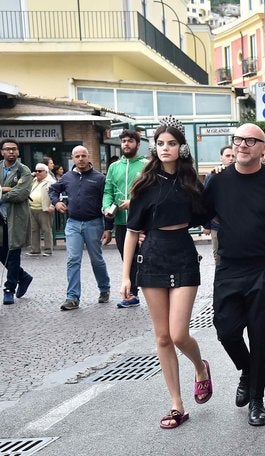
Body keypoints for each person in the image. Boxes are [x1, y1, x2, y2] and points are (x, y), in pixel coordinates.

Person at [203, 123, 265, 427]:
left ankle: (257, 400)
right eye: (238, 140)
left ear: (263, 148)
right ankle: (247, 370)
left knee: (262, 337)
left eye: (250, 140)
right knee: (226, 330)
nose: (242, 145)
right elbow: (198, 214)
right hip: (230, 266)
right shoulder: (218, 182)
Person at [120, 116, 212, 429]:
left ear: (181, 147)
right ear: (154, 147)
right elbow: (132, 232)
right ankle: (176, 404)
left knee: (178, 334)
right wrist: (125, 276)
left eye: (171, 143)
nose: (165, 148)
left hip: (183, 256)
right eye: (160, 143)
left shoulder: (191, 183)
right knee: (162, 337)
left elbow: (211, 217)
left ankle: (200, 367)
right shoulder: (144, 185)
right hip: (152, 259)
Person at [49, 146, 110, 311]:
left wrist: (108, 227)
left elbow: (107, 200)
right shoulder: (67, 177)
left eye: (83, 155)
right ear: (73, 158)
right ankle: (72, 298)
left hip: (94, 223)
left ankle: (104, 288)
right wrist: (56, 202)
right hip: (73, 224)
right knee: (73, 260)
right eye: (77, 156)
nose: (81, 158)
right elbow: (53, 190)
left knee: (96, 259)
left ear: (88, 157)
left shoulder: (99, 178)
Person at [102, 129, 148, 308]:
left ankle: (138, 292)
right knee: (127, 258)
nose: (126, 144)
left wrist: (134, 203)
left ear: (137, 144)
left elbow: (152, 192)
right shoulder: (114, 167)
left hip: (143, 222)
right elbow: (108, 192)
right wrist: (107, 208)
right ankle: (132, 293)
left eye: (130, 141)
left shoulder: (147, 165)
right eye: (123, 141)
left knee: (144, 257)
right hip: (121, 222)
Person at [0, 139, 33, 305]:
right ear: (2, 152)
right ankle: (23, 276)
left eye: (14, 149)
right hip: (1, 218)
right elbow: (15, 191)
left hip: (16, 218)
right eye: (7, 149)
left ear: (18, 151)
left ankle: (9, 289)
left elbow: (21, 193)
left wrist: (1, 193)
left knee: (13, 254)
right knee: (2, 253)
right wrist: (5, 189)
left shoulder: (23, 170)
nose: (11, 152)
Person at [202, 145, 236, 265]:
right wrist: (206, 225)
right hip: (217, 225)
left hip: (236, 225)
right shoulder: (212, 175)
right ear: (221, 157)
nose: (231, 158)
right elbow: (206, 202)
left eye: (233, 156)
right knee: (218, 257)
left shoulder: (242, 175)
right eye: (228, 156)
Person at [27, 163, 55, 256]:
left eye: (39, 171)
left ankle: (48, 250)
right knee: (34, 230)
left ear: (46, 172)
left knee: (46, 230)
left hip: (44, 209)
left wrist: (52, 205)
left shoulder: (51, 181)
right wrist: (30, 176)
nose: (37, 172)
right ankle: (35, 249)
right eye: (36, 171)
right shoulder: (34, 179)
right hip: (32, 208)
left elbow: (57, 194)